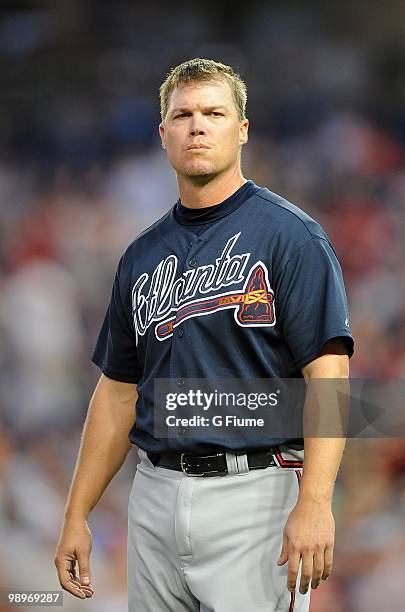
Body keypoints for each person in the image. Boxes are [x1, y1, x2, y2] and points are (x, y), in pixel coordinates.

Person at [54, 58, 354, 611]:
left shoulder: (290, 236)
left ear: (242, 130)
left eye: (214, 113)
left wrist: (315, 501)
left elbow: (329, 376)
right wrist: (76, 514)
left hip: (255, 493)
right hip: (153, 494)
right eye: (183, 114)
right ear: (163, 134)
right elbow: (118, 393)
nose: (197, 125)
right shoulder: (141, 255)